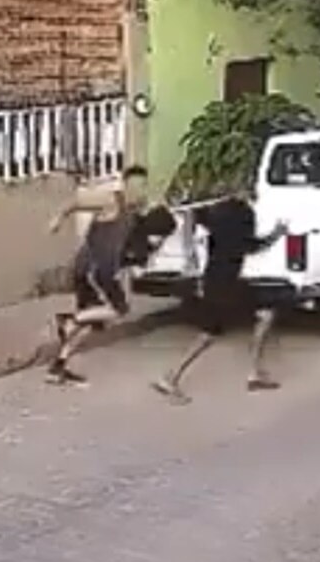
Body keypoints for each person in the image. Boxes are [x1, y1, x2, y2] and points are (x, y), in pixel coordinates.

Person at [150, 190, 288, 404]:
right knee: (217, 331)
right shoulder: (244, 213)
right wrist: (277, 234)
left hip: (214, 277)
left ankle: (253, 372)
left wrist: (190, 251)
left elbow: (191, 214)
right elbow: (250, 246)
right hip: (227, 282)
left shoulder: (217, 209)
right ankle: (170, 377)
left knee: (251, 318)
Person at [45, 165, 176, 385]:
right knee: (119, 311)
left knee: (94, 320)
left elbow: (146, 234)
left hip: (94, 271)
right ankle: (68, 320)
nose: (139, 192)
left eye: (142, 187)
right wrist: (58, 218)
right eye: (134, 187)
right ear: (124, 185)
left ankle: (58, 366)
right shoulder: (110, 200)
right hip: (95, 272)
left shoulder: (136, 211)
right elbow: (78, 201)